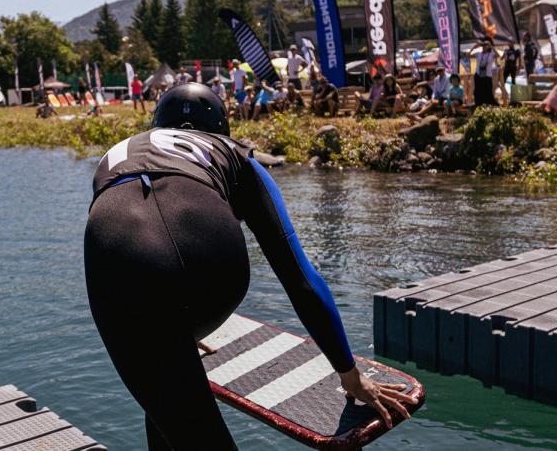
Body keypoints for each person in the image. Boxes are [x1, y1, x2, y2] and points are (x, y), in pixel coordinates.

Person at [84, 83, 415, 449]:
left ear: (157, 123)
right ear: (222, 128)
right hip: (215, 270)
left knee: (169, 401)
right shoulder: (236, 155)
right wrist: (348, 372)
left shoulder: (119, 153)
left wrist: (173, 328)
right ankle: (176, 335)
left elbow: (146, 231)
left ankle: (174, 336)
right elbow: (300, 277)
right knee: (169, 403)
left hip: (118, 261)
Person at [474, 40, 498, 106]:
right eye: (483, 45)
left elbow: (498, 55)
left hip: (487, 75)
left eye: (486, 45)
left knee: (488, 92)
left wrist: (491, 46)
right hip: (478, 75)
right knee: (478, 92)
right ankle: (478, 105)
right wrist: (475, 47)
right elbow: (468, 55)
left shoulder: (491, 54)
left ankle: (489, 105)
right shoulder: (479, 53)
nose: (484, 47)